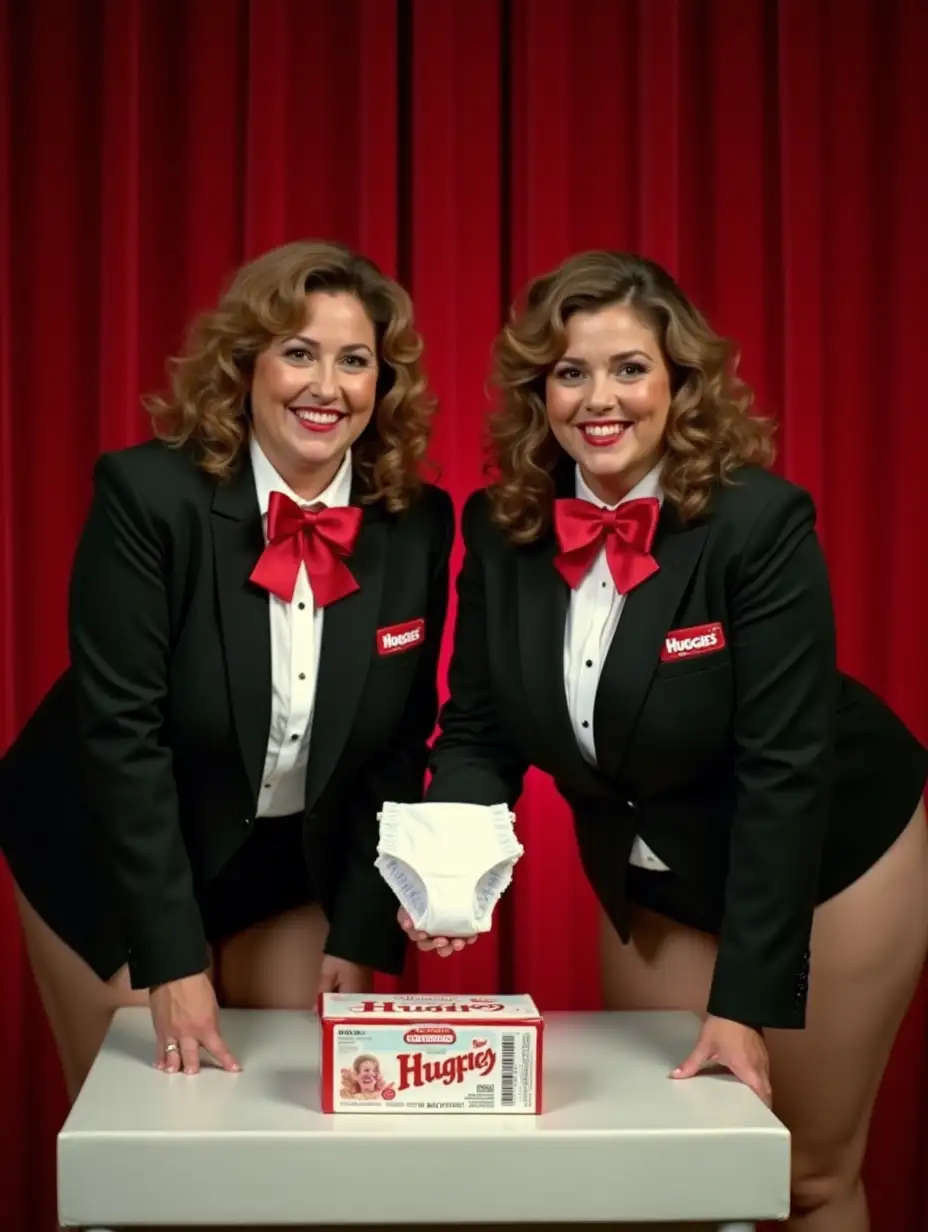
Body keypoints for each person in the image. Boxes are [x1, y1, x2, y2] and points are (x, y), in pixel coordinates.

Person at [405, 250, 928, 1232]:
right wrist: (447, 868)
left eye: (628, 368)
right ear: (539, 392)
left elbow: (785, 770)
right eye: (569, 372)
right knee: (669, 1165)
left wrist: (746, 1002)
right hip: (656, 861)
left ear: (678, 383)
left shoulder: (757, 523)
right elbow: (476, 725)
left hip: (824, 851)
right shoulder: (500, 526)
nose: (598, 398)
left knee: (801, 1170)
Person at [0, 239, 452, 1093]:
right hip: (109, 836)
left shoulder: (416, 521)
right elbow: (123, 739)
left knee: (293, 1105)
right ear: (245, 365)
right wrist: (171, 963)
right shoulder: (149, 497)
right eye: (298, 352)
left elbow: (397, 742)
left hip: (280, 854)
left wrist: (359, 928)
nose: (327, 385)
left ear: (381, 385)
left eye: (355, 360)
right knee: (153, 1115)